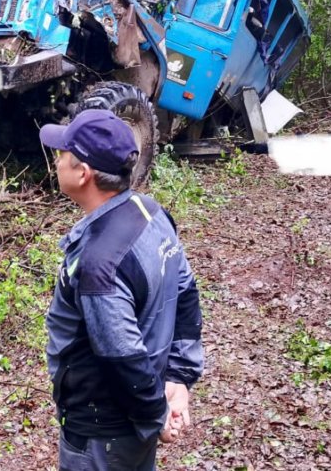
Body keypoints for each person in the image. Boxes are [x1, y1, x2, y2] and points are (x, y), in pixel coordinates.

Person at [40, 109, 205, 471]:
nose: (56, 161)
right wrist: (177, 376)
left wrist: (155, 414)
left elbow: (122, 353)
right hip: (132, 419)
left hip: (102, 433)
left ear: (82, 173)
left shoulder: (99, 264)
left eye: (62, 154)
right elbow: (187, 295)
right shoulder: (150, 212)